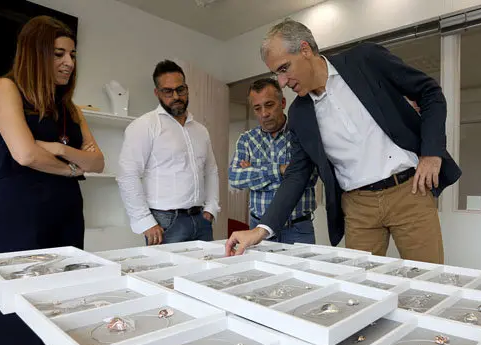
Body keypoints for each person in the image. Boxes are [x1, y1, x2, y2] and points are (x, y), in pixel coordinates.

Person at [225, 19, 461, 263]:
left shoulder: (365, 60)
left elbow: (429, 93)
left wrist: (432, 152)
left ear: (305, 50)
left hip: (409, 191)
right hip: (358, 208)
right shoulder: (299, 114)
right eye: (277, 73)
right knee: (361, 288)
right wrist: (260, 230)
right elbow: (297, 175)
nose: (282, 82)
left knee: (426, 280)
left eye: (284, 69)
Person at [0, 16, 104, 345]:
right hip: (18, 218)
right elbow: (24, 153)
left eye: (72, 54)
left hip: (65, 218)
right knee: (17, 327)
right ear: (35, 53)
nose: (69, 62)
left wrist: (61, 150)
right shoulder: (5, 87)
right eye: (58, 53)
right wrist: (73, 169)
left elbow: (98, 163)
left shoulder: (71, 108)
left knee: (60, 319)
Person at [117, 60, 220, 245]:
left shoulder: (201, 130)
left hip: (201, 220)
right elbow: (127, 175)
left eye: (180, 89)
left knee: (204, 273)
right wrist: (145, 222)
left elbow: (211, 170)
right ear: (157, 93)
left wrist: (212, 208)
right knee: (166, 274)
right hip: (165, 223)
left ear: (187, 89)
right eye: (168, 91)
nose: (176, 96)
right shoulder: (144, 126)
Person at [228, 78, 318, 244]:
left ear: (282, 102)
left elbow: (309, 177)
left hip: (297, 229)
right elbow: (235, 178)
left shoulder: (300, 133)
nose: (264, 113)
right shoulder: (246, 139)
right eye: (257, 108)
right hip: (257, 226)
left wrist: (254, 172)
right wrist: (282, 170)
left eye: (269, 105)